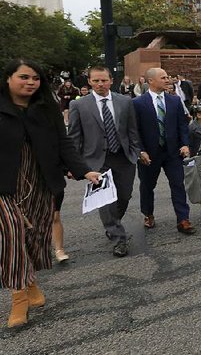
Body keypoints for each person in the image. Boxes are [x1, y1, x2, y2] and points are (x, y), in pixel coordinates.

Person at [1, 59, 101, 328]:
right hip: (5, 184)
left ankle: (29, 280)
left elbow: (64, 143)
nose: (30, 82)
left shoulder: (46, 108)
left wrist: (83, 171)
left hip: (41, 181)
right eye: (23, 77)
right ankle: (19, 296)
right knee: (11, 234)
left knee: (33, 237)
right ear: (8, 78)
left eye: (35, 78)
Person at [68, 65, 142, 257]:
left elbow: (132, 130)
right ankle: (119, 239)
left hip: (124, 157)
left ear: (111, 80)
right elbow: (74, 136)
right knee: (106, 200)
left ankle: (112, 224)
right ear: (90, 82)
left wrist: (137, 151)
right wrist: (73, 164)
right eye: (96, 81)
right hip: (96, 161)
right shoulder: (79, 105)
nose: (100, 84)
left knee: (124, 196)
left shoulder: (125, 101)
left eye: (104, 80)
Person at [132, 68, 196, 234]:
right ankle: (148, 213)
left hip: (173, 152)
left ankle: (183, 219)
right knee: (147, 186)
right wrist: (140, 151)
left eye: (168, 76)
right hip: (149, 154)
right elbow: (134, 130)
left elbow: (182, 125)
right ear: (151, 81)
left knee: (178, 184)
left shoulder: (174, 101)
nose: (168, 80)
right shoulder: (138, 103)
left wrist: (185, 144)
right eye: (163, 77)